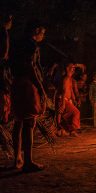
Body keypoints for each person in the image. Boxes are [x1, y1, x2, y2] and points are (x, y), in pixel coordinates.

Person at [10, 24, 47, 172]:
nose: (43, 36)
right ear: (36, 31)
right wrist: (40, 87)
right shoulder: (31, 45)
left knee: (18, 121)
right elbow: (30, 66)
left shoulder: (17, 44)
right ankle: (28, 162)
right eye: (42, 32)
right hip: (27, 85)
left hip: (16, 83)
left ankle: (17, 158)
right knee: (29, 122)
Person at [55, 63, 80, 137]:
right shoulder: (65, 78)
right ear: (67, 68)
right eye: (72, 68)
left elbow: (71, 90)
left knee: (69, 116)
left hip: (66, 100)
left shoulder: (70, 79)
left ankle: (68, 131)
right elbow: (63, 91)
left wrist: (74, 99)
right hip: (62, 99)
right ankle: (71, 129)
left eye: (74, 68)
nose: (73, 69)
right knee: (76, 112)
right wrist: (63, 103)